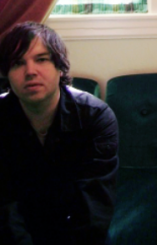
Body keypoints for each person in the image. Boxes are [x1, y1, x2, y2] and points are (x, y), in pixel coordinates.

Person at [0, 21, 119, 245]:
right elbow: (4, 205)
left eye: (41, 59)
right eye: (18, 63)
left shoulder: (95, 117)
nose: (30, 71)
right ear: (7, 73)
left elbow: (94, 206)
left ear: (59, 66)